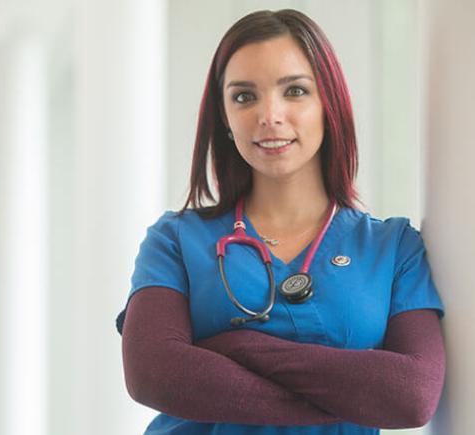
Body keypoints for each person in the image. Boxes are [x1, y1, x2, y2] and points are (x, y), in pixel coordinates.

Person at [116, 8, 446, 435]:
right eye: (243, 96)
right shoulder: (176, 241)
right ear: (225, 120)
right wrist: (351, 396)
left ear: (329, 104)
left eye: (294, 90)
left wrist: (236, 348)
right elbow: (153, 373)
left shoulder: (393, 248)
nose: (269, 115)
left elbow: (412, 394)